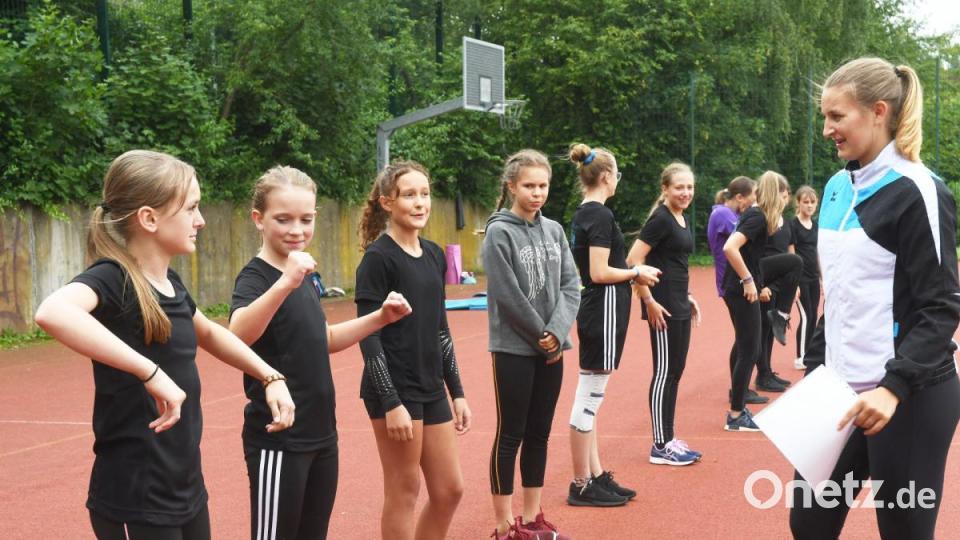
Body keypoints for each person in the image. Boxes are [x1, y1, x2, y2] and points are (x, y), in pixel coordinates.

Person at [34, 150, 296, 540]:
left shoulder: (170, 283)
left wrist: (269, 376)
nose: (201, 220)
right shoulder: (113, 277)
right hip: (136, 490)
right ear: (149, 218)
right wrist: (150, 372)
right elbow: (52, 312)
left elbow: (209, 333)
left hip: (182, 480)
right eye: (191, 208)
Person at [790, 57, 960, 540]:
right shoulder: (837, 187)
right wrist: (815, 374)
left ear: (878, 111)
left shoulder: (919, 190)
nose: (826, 129)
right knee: (808, 525)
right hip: (839, 395)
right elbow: (838, 293)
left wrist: (893, 388)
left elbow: (940, 305)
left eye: (837, 116)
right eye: (824, 116)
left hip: (908, 398)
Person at [229, 166, 413, 540]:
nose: (297, 230)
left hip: (322, 433)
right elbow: (238, 335)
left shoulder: (305, 274)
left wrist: (380, 317)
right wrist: (286, 281)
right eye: (283, 219)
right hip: (278, 437)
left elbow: (324, 339)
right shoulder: (258, 277)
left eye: (306, 219)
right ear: (258, 219)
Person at [355, 161, 471, 540]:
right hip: (394, 389)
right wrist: (391, 401)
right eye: (409, 195)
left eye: (424, 194)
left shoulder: (436, 255)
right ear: (388, 202)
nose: (420, 202)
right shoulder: (378, 258)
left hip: (430, 385)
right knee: (404, 490)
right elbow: (369, 336)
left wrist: (458, 392)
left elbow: (440, 327)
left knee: (449, 489)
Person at [483, 149, 580, 540]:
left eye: (543, 186)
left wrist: (556, 334)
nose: (537, 193)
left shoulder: (554, 230)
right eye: (529, 186)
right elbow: (507, 295)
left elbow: (571, 285)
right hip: (514, 349)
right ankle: (504, 524)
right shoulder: (499, 232)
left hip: (552, 348)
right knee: (511, 433)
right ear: (511, 187)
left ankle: (533, 514)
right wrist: (542, 335)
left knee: (540, 432)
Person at [565, 144, 660, 506]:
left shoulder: (588, 213)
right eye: (617, 174)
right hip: (600, 309)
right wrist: (637, 271)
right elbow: (599, 272)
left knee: (593, 398)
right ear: (606, 177)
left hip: (602, 309)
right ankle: (580, 484)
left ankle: (594, 474)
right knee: (588, 398)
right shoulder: (598, 216)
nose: (617, 180)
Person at [627, 162, 703, 463]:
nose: (685, 192)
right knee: (664, 373)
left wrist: (688, 295)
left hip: (679, 303)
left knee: (676, 371)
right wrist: (648, 301)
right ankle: (660, 445)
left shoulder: (680, 217)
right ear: (665, 189)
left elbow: (675, 264)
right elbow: (633, 260)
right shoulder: (660, 219)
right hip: (662, 306)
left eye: (689, 187)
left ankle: (669, 437)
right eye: (679, 187)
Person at [721, 170, 800, 431]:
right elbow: (729, 248)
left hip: (746, 282)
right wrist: (748, 281)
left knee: (793, 262)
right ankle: (735, 415)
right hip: (740, 289)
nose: (787, 198)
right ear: (774, 194)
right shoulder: (756, 217)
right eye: (784, 193)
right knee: (750, 349)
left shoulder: (761, 217)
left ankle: (780, 314)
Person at [707, 176, 767, 405]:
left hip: (735, 280)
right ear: (739, 197)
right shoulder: (723, 214)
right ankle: (738, 396)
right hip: (733, 281)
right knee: (747, 343)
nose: (755, 201)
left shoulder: (730, 214)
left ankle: (738, 390)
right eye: (752, 195)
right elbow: (738, 241)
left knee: (744, 340)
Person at [755, 176, 801, 393]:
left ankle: (767, 371)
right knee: (762, 329)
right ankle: (762, 374)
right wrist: (760, 285)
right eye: (783, 194)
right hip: (765, 283)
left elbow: (790, 252)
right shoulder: (764, 220)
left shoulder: (786, 222)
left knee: (772, 328)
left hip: (781, 283)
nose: (786, 198)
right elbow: (756, 255)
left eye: (787, 195)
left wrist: (795, 284)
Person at [788, 185, 820, 371]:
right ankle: (801, 356)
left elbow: (817, 253)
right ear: (798, 203)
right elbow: (791, 255)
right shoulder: (793, 225)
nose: (809, 206)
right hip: (800, 279)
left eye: (812, 202)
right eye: (805, 202)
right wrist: (794, 283)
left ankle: (809, 352)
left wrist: (822, 278)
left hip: (814, 277)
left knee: (814, 315)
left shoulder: (816, 226)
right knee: (806, 316)